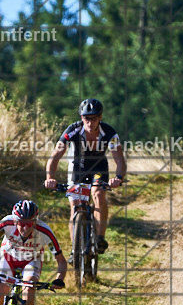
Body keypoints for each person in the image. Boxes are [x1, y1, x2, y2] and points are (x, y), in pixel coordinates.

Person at [43, 98, 126, 253]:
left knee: (98, 193)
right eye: (86, 119)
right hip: (77, 169)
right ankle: (75, 249)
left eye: (94, 119)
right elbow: (55, 156)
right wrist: (50, 178)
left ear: (100, 117)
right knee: (75, 206)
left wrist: (119, 178)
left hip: (98, 170)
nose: (90, 123)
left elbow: (119, 159)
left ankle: (100, 238)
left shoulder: (109, 133)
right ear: (82, 118)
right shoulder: (73, 130)